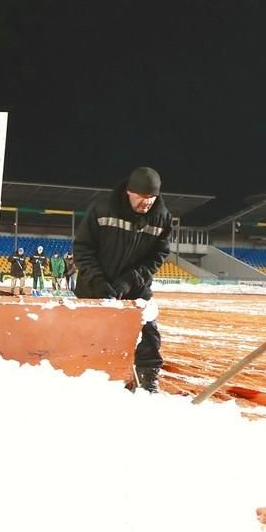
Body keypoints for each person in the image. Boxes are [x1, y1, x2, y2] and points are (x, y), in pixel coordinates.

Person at [73, 167, 172, 392]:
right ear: (129, 192)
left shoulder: (162, 217)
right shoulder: (102, 208)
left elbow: (158, 255)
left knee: (148, 333)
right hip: (94, 286)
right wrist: (98, 281)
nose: (147, 202)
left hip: (135, 287)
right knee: (91, 335)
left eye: (152, 197)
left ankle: (148, 379)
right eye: (142, 197)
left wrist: (129, 281)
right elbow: (83, 249)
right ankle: (89, 378)